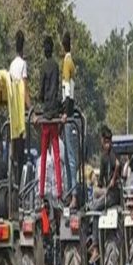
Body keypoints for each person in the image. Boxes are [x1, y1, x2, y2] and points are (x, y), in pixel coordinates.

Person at [36, 35, 63, 200]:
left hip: (46, 114)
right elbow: (57, 86)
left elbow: (41, 90)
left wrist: (41, 99)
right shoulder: (56, 66)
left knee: (44, 154)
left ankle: (41, 190)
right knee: (57, 154)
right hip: (55, 112)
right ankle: (59, 190)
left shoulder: (44, 66)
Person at [61, 31, 79, 193]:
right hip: (70, 110)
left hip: (69, 113)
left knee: (70, 158)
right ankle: (69, 191)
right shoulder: (71, 62)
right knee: (67, 157)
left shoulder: (66, 63)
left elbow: (67, 91)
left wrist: (65, 113)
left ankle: (73, 193)